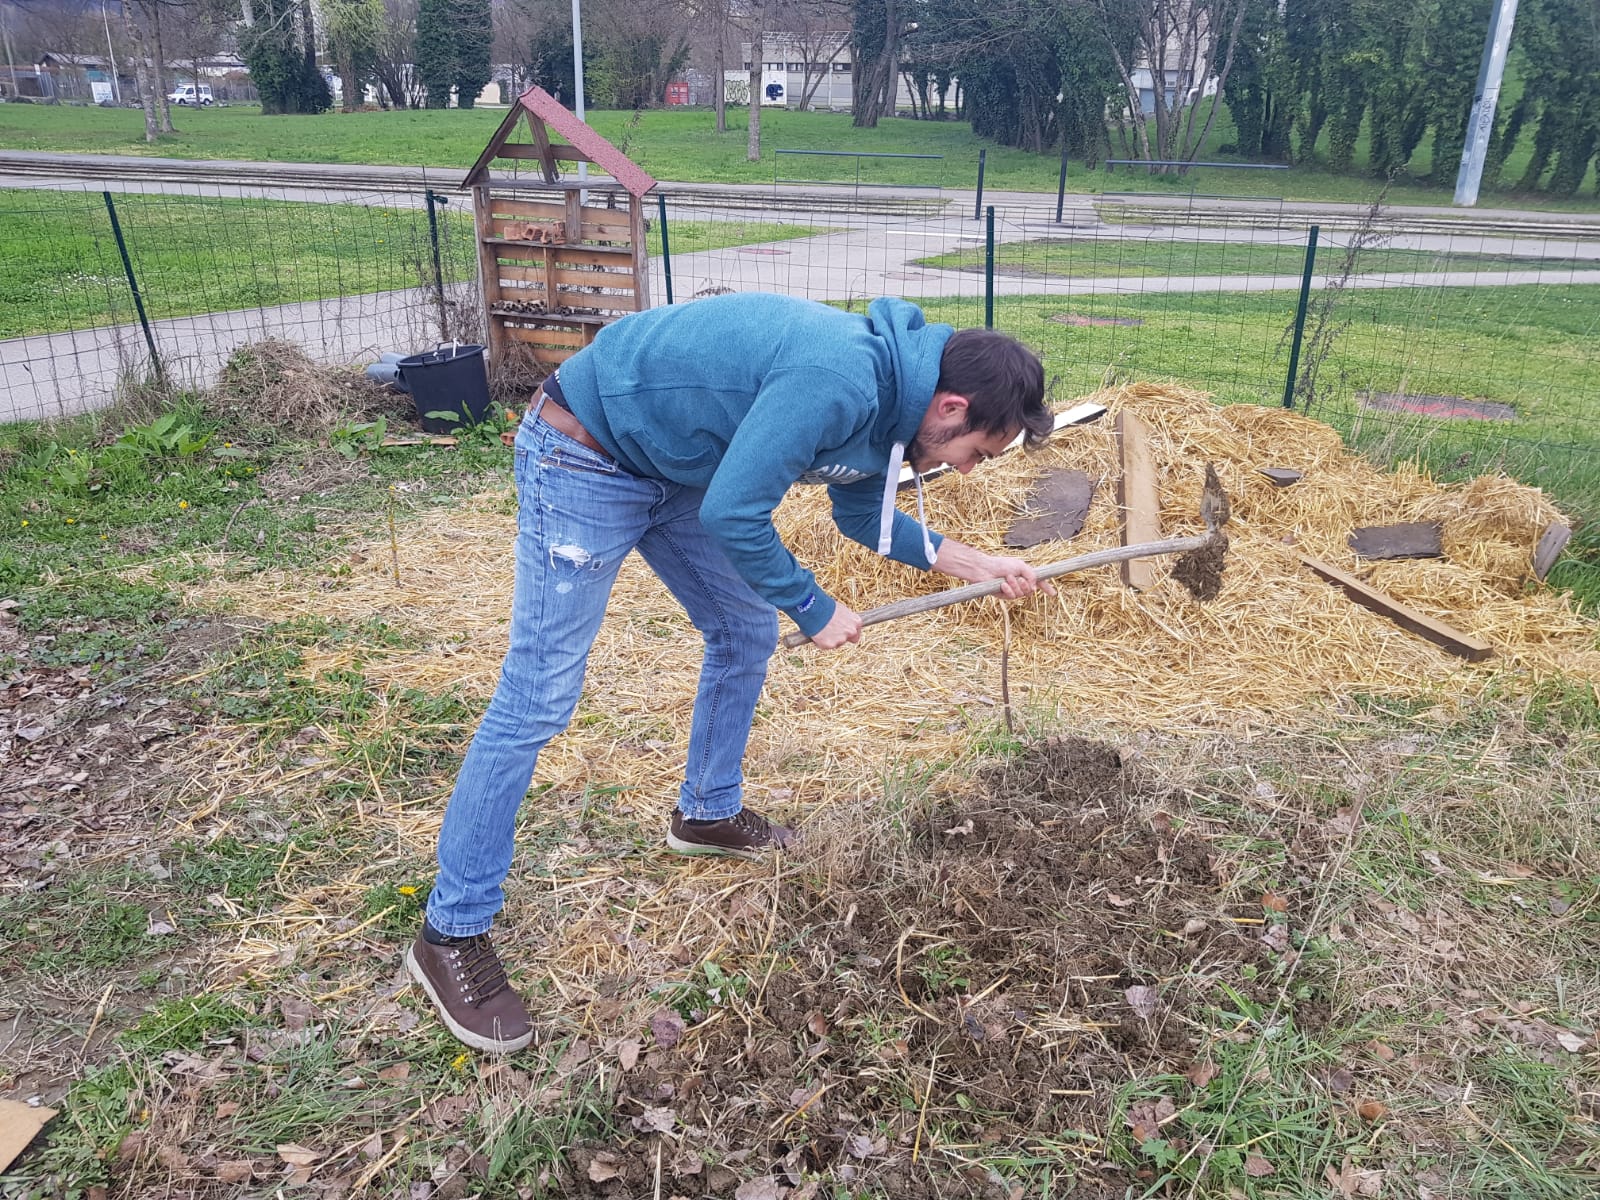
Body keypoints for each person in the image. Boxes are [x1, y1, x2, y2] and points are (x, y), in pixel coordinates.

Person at [407, 293, 1054, 1052]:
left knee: (743, 630)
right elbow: (737, 516)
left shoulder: (892, 414)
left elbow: (860, 515)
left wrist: (979, 564)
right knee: (540, 694)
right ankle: (451, 931)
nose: (966, 467)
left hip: (679, 468)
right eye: (974, 451)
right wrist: (812, 606)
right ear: (950, 406)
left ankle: (706, 812)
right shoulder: (842, 378)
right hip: (585, 450)